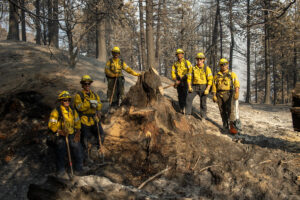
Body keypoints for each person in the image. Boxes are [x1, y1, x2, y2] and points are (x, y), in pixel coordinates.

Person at [48, 91, 83, 176]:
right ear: (61, 101)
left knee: (78, 150)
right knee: (61, 152)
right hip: (61, 135)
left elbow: (77, 123)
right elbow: (51, 124)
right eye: (65, 100)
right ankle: (61, 170)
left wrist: (78, 132)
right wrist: (59, 131)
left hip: (71, 134)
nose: (67, 102)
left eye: (68, 100)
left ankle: (79, 169)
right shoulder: (56, 112)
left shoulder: (73, 112)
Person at [74, 75, 104, 163]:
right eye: (85, 84)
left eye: (88, 84)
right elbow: (79, 107)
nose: (87, 85)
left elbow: (100, 105)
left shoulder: (94, 94)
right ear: (82, 85)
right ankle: (86, 158)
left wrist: (96, 105)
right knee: (85, 140)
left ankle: (94, 149)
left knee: (101, 135)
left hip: (94, 119)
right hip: (84, 119)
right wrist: (89, 104)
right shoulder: (79, 95)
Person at [212, 58, 240, 132]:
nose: (223, 66)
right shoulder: (217, 76)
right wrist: (214, 95)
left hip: (228, 94)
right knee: (222, 110)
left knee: (230, 110)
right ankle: (225, 125)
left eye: (225, 64)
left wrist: (237, 92)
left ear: (227, 65)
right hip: (219, 95)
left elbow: (236, 83)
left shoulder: (231, 74)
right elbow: (214, 86)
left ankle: (232, 127)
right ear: (220, 66)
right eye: (222, 64)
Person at [186, 52, 213, 119]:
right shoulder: (193, 68)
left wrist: (207, 89)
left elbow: (210, 80)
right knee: (188, 98)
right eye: (198, 59)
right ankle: (188, 114)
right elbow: (189, 78)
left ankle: (203, 116)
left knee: (203, 102)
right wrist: (189, 87)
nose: (199, 61)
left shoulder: (207, 69)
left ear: (203, 60)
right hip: (194, 86)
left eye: (201, 59)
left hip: (203, 87)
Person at [171, 48, 193, 114]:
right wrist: (175, 80)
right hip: (178, 81)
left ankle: (185, 108)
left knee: (185, 95)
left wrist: (186, 77)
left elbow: (191, 71)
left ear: (182, 54)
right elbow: (172, 73)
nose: (179, 55)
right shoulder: (175, 64)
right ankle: (181, 108)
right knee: (179, 95)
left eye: (180, 54)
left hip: (185, 80)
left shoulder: (187, 62)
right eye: (178, 54)